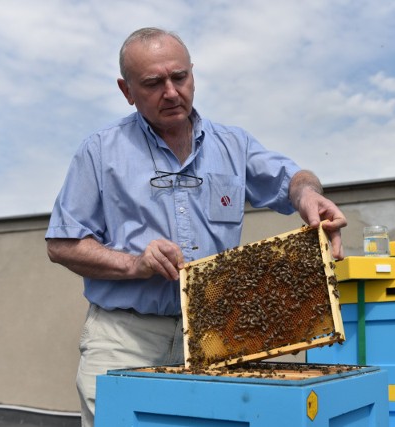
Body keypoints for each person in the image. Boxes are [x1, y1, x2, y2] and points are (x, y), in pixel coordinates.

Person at [46, 27, 347, 426]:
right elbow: (63, 243)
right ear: (127, 90)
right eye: (153, 83)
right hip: (126, 338)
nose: (171, 92)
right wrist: (135, 264)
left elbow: (293, 177)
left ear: (193, 75)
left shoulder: (233, 144)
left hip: (216, 337)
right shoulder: (100, 150)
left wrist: (308, 196)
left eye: (180, 77)